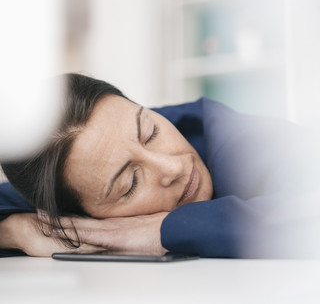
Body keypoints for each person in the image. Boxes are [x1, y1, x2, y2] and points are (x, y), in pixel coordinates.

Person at [1, 73, 320, 258]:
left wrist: (162, 230)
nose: (172, 168)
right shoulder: (77, 173)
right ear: (82, 215)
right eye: (130, 184)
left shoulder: (224, 133)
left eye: (150, 131)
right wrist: (16, 232)